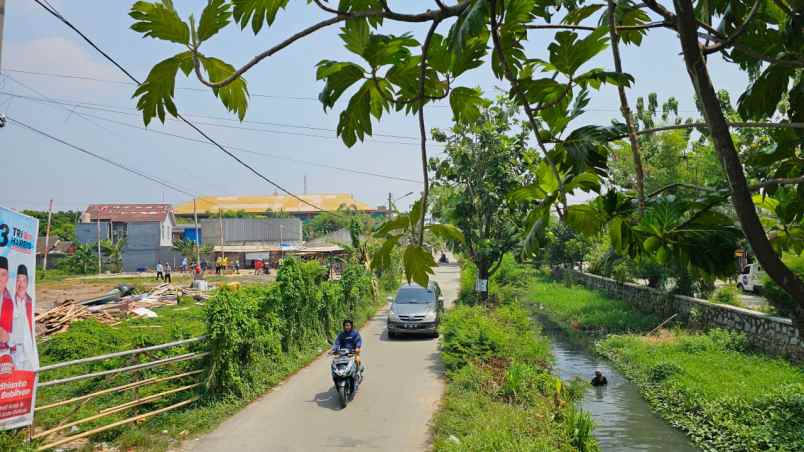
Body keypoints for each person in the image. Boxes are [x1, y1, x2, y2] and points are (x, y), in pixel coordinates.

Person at [9, 265, 36, 371]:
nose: (21, 285)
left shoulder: (30, 302)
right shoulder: (9, 303)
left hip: (29, 348)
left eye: (24, 281)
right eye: (18, 281)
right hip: (14, 351)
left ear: (27, 283)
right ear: (14, 283)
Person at [0, 257, 14, 355]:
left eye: (3, 275)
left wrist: (8, 336)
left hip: (5, 353)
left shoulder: (12, 301)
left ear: (7, 277)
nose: (0, 279)